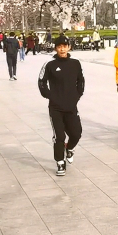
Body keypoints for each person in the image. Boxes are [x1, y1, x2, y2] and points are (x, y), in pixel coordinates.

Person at [38, 35, 85, 176]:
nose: (62, 49)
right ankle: (60, 162)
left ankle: (69, 148)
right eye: (59, 46)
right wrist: (49, 95)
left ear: (69, 47)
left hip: (71, 106)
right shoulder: (50, 64)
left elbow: (80, 81)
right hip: (56, 107)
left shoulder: (75, 63)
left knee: (76, 134)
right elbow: (41, 81)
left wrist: (77, 95)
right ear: (55, 48)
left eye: (64, 46)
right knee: (59, 136)